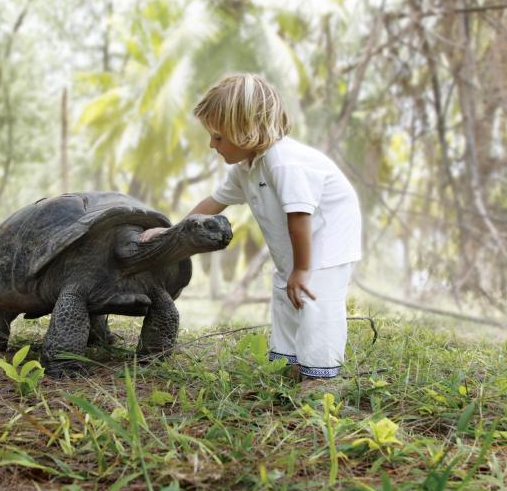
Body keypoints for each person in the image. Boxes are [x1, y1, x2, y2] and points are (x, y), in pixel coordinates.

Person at [141, 73, 362, 393]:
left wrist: (301, 269)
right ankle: (294, 362)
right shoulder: (246, 169)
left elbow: (300, 215)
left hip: (327, 240)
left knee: (315, 300)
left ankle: (321, 378)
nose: (212, 145)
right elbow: (212, 203)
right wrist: (172, 232)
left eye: (219, 137)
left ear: (246, 131)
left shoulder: (283, 161)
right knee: (286, 295)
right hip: (297, 248)